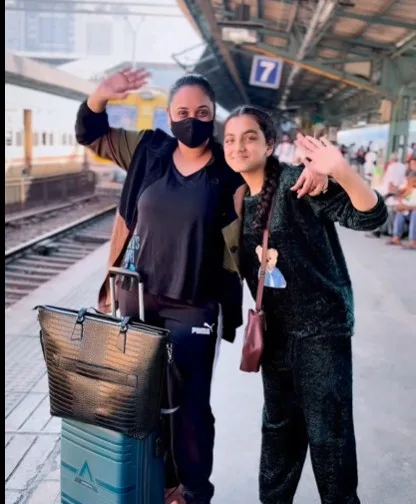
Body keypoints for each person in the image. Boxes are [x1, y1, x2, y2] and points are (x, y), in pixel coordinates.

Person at [74, 69, 328, 504]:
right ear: (169, 115)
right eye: (182, 112)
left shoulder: (229, 168)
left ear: (214, 116)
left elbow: (278, 181)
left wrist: (321, 170)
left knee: (189, 406)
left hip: (195, 305)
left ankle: (194, 492)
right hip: (137, 298)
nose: (192, 120)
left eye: (203, 112)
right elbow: (90, 132)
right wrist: (101, 94)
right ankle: (160, 483)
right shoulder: (149, 151)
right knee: (144, 400)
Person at [222, 105, 388, 504]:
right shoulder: (237, 198)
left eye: (249, 137)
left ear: (269, 144)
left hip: (321, 333)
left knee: (329, 439)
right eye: (230, 139)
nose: (239, 146)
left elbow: (371, 217)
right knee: (278, 433)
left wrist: (341, 171)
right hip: (275, 336)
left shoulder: (298, 182)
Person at [387, 169, 416, 249]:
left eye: (414, 181)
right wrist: (401, 204)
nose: (412, 183)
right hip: (410, 212)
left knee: (415, 213)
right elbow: (406, 201)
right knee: (401, 213)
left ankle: (413, 241)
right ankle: (396, 237)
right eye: (411, 181)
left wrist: (405, 207)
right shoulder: (411, 190)